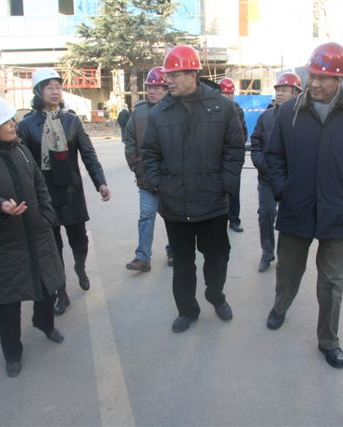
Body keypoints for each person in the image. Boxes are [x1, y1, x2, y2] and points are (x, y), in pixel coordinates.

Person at [264, 42, 343, 368]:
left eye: (323, 78)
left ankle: (328, 341)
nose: (314, 83)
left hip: (337, 213)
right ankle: (280, 308)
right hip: (296, 208)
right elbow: (274, 157)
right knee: (288, 270)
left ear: (340, 79)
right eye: (312, 75)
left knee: (332, 283)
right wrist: (283, 190)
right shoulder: (288, 113)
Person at [141, 45, 245, 333]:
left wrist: (225, 184)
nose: (168, 80)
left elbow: (234, 149)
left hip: (213, 203)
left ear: (193, 74)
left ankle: (216, 295)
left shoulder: (222, 107)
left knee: (217, 257)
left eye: (174, 75)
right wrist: (160, 185)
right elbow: (149, 154)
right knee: (183, 263)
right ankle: (187, 310)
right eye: (167, 75)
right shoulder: (159, 113)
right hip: (175, 204)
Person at [0, 92, 65, 378]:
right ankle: (12, 353)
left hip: (37, 233)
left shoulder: (20, 150)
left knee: (48, 287)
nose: (13, 125)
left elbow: (39, 185)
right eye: (7, 122)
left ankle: (45, 324)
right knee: (8, 305)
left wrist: (46, 215)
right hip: (3, 242)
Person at [17, 67, 111, 316]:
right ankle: (61, 291)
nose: (55, 91)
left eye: (58, 86)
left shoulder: (72, 121)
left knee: (79, 241)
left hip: (71, 192)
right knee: (53, 247)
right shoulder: (26, 125)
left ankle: (80, 267)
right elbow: (22, 164)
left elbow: (88, 154)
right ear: (38, 91)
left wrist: (100, 182)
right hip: (44, 195)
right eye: (49, 87)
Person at [250, 72, 302, 273]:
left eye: (284, 90)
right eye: (278, 90)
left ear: (296, 93)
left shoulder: (303, 119)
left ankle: (285, 255)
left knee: (289, 219)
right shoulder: (266, 117)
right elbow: (255, 144)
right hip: (267, 178)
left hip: (292, 179)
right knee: (266, 214)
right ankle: (267, 252)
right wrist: (262, 165)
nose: (280, 93)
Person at [124, 66, 173, 272]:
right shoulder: (139, 112)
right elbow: (129, 142)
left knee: (172, 218)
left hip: (170, 180)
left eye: (157, 87)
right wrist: (137, 168)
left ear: (167, 88)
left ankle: (174, 251)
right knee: (146, 217)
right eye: (149, 87)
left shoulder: (176, 110)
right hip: (146, 179)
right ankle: (143, 257)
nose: (152, 91)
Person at [218, 77, 247, 233]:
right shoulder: (212, 110)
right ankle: (218, 220)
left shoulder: (238, 111)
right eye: (226, 93)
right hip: (216, 158)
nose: (229, 96)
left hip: (232, 158)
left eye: (231, 93)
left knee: (234, 190)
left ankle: (234, 220)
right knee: (217, 191)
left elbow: (244, 134)